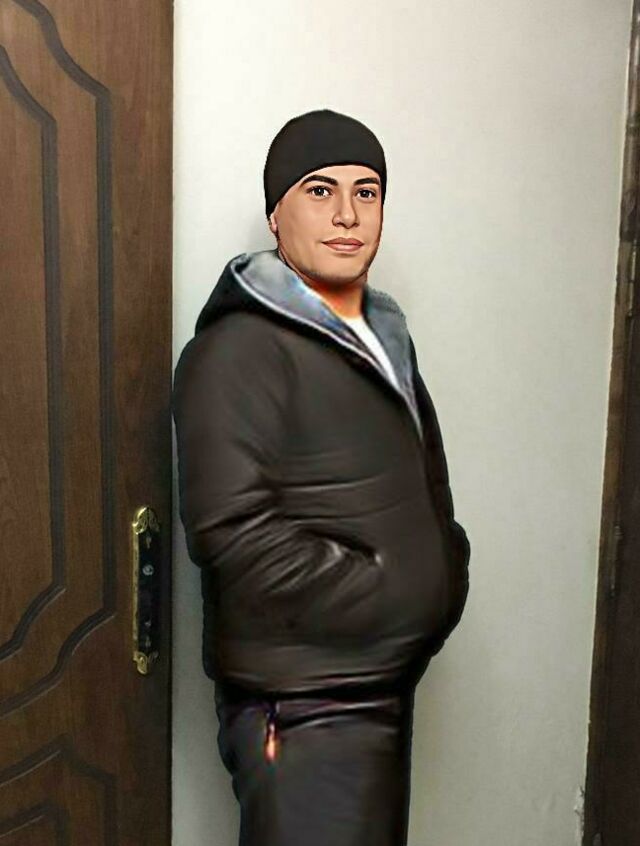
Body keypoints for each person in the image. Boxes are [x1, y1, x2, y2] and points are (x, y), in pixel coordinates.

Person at [172, 108, 471, 846]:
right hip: (303, 706)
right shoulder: (236, 351)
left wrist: (446, 567)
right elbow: (234, 539)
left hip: (376, 684)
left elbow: (427, 479)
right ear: (276, 215)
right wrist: (397, 592)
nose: (347, 214)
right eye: (319, 190)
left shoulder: (382, 337)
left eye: (367, 192)